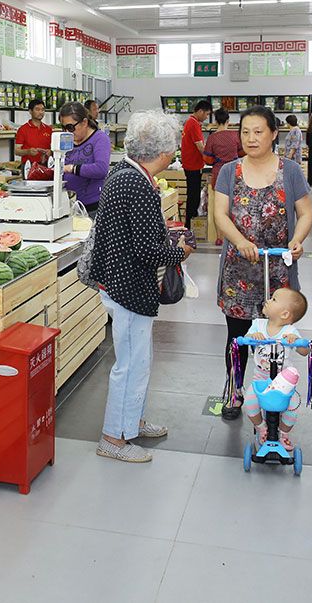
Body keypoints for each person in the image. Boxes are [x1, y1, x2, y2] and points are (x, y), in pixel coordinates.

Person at [89, 111, 193, 463]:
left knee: (139, 358)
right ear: (163, 151)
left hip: (117, 280)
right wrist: (179, 251)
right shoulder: (137, 185)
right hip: (128, 286)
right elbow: (148, 249)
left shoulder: (123, 174)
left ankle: (131, 420)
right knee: (132, 364)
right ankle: (113, 438)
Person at [213, 106, 312, 421]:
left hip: (279, 271)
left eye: (258, 131)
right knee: (238, 337)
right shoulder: (229, 171)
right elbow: (220, 215)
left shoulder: (290, 171)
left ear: (273, 134)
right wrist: (240, 241)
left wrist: (297, 240)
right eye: (245, 132)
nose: (251, 138)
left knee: (275, 339)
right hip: (238, 271)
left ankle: (275, 390)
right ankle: (234, 390)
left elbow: (305, 212)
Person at [243, 288, 311, 451]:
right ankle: (262, 428)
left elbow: (305, 351)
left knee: (292, 407)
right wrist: (252, 337)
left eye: (273, 299)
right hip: (260, 379)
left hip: (283, 382)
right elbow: (245, 339)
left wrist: (296, 341)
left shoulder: (289, 331)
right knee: (250, 403)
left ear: (285, 314)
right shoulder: (258, 325)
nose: (267, 300)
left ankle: (283, 433)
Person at [59, 101, 112, 214]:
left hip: (93, 207)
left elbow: (101, 169)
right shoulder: (67, 140)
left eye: (70, 127)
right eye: (63, 128)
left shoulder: (100, 139)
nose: (67, 132)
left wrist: (72, 168)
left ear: (84, 122)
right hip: (68, 204)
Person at [180, 100, 211, 225]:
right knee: (194, 197)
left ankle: (190, 223)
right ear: (200, 111)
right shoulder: (193, 124)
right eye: (207, 114)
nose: (207, 117)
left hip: (190, 164)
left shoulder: (190, 122)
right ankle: (190, 225)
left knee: (193, 195)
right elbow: (200, 147)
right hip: (193, 166)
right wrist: (211, 157)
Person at [203, 108, 241, 189]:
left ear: (216, 122)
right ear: (228, 121)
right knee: (234, 194)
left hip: (218, 172)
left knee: (219, 194)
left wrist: (216, 160)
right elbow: (243, 152)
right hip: (234, 171)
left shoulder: (212, 138)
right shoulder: (235, 135)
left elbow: (207, 159)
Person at [15, 98, 52, 167]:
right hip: (28, 166)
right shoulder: (23, 129)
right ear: (30, 111)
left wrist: (51, 152)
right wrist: (28, 151)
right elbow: (17, 151)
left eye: (43, 110)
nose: (41, 112)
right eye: (37, 109)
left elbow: (53, 147)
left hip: (46, 165)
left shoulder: (48, 129)